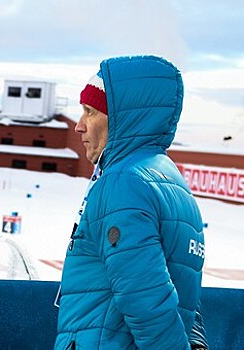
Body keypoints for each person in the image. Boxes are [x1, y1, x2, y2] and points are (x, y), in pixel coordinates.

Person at [55, 56, 208, 349]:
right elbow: (181, 291)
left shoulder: (123, 182)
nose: (79, 126)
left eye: (90, 112)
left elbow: (146, 298)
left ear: (122, 118)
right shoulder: (171, 181)